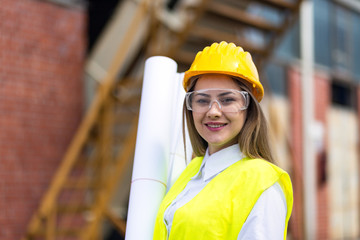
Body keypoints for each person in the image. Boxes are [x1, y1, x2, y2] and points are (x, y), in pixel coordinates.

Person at [153, 41, 293, 240]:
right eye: (202, 100)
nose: (213, 112)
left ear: (248, 107)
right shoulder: (192, 170)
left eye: (227, 100)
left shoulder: (262, 183)